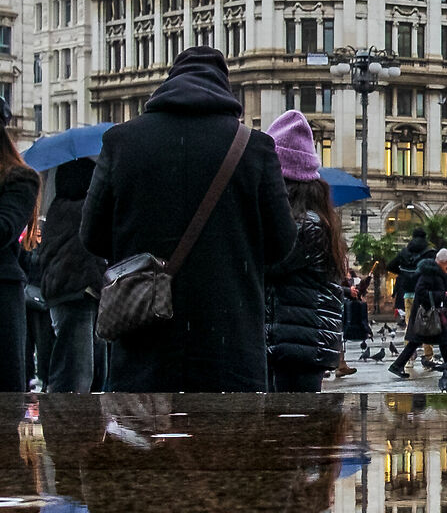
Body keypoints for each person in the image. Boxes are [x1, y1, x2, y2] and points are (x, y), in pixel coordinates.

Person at [81, 47, 296, 394]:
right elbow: (282, 243)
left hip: (143, 340)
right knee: (227, 444)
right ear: (225, 88)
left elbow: (91, 235)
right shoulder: (254, 148)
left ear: (169, 82)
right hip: (230, 346)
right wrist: (232, 257)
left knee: (142, 442)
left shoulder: (121, 142)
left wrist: (142, 254)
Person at [260, 110, 348, 394]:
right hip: (300, 342)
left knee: (294, 430)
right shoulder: (316, 219)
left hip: (298, 345)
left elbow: (268, 266)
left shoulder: (303, 226)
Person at [37, 160, 103, 394]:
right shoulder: (84, 209)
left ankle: (67, 419)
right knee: (79, 372)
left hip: (62, 293)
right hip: (80, 292)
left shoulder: (57, 208)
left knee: (70, 364)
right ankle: (75, 424)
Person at [388, 248, 447, 381]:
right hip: (426, 315)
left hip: (431, 314)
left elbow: (443, 297)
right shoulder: (429, 274)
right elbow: (421, 292)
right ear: (443, 262)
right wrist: (440, 296)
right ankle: (397, 365)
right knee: (419, 341)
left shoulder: (436, 273)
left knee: (442, 340)